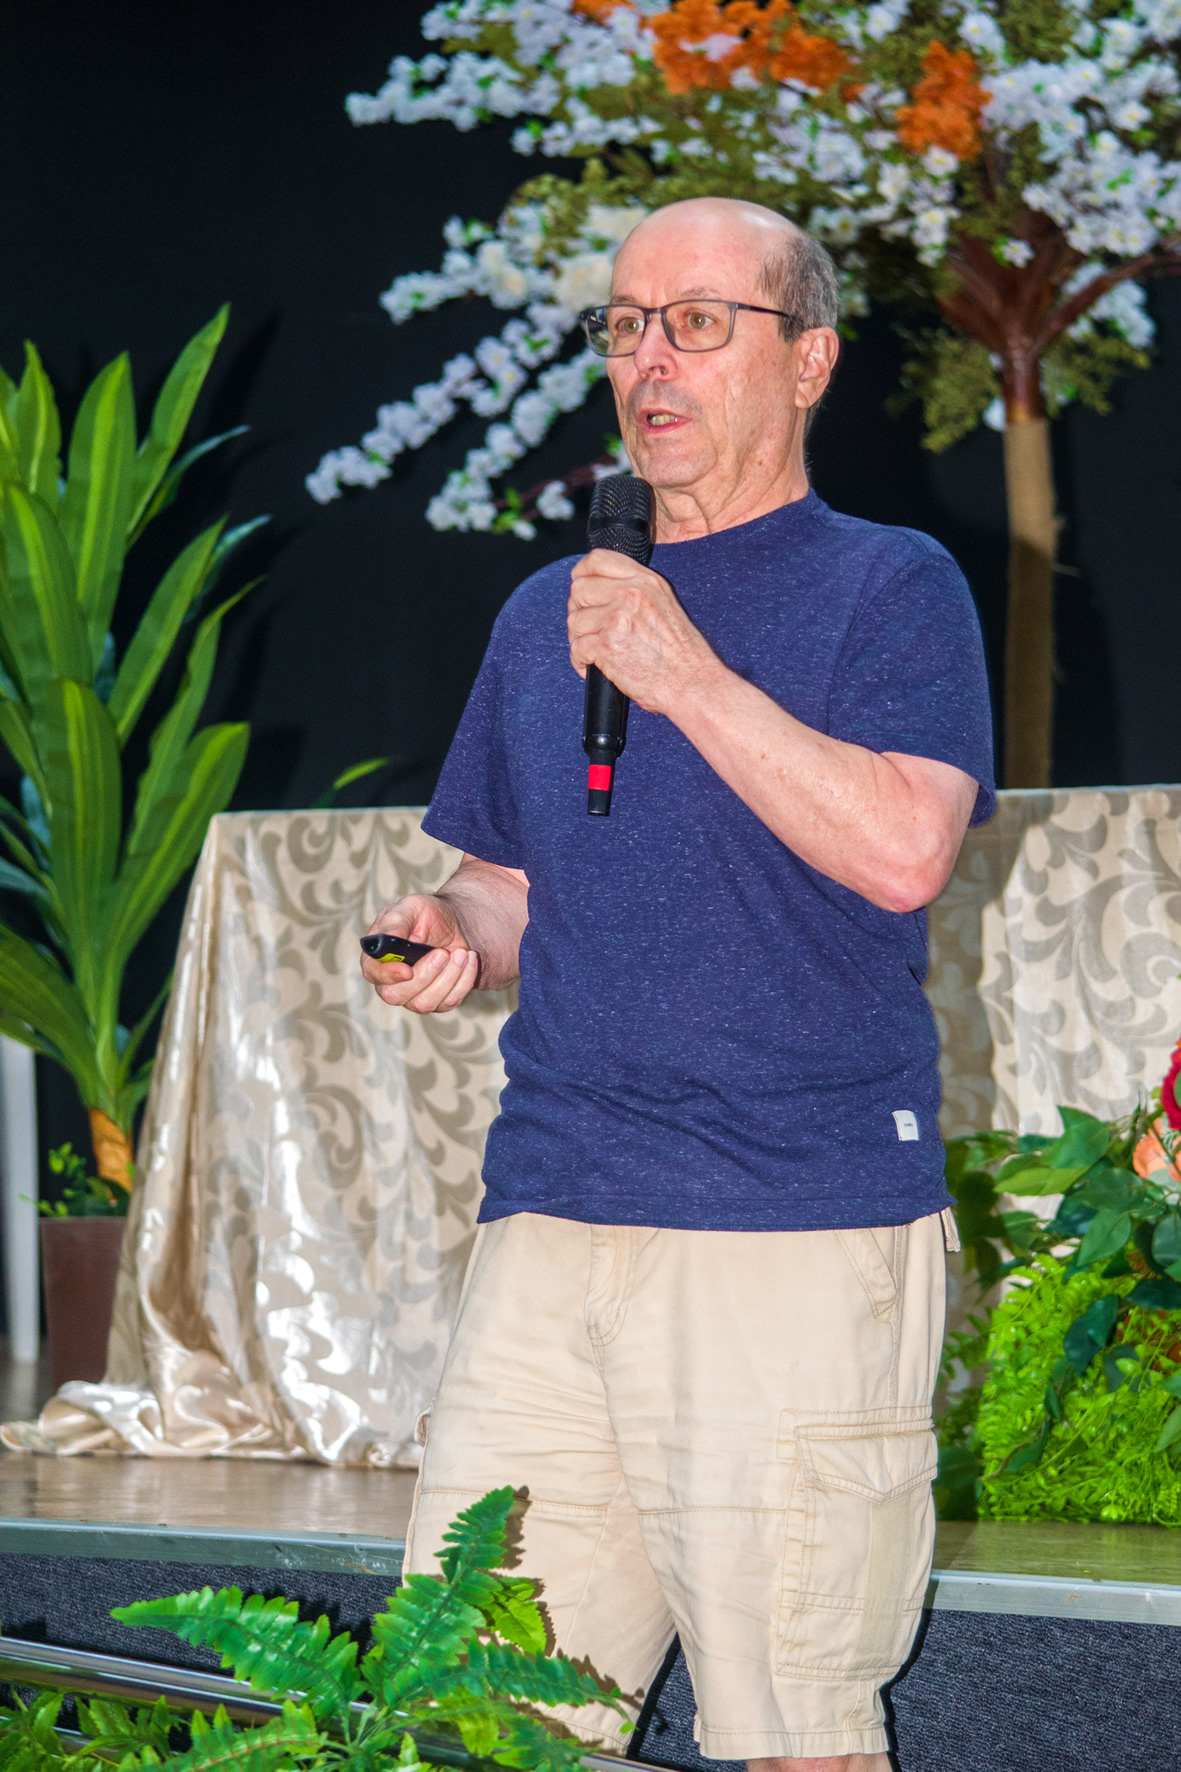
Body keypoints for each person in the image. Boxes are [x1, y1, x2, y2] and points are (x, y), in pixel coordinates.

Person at [361, 196, 995, 1772]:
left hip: (785, 1225)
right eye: (627, 325)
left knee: (795, 1732)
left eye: (698, 322)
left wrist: (685, 674)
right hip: (555, 1213)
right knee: (474, 1725)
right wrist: (455, 926)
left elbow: (902, 849)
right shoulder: (548, 613)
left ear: (808, 361)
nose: (651, 359)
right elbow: (515, 876)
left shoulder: (888, 585)